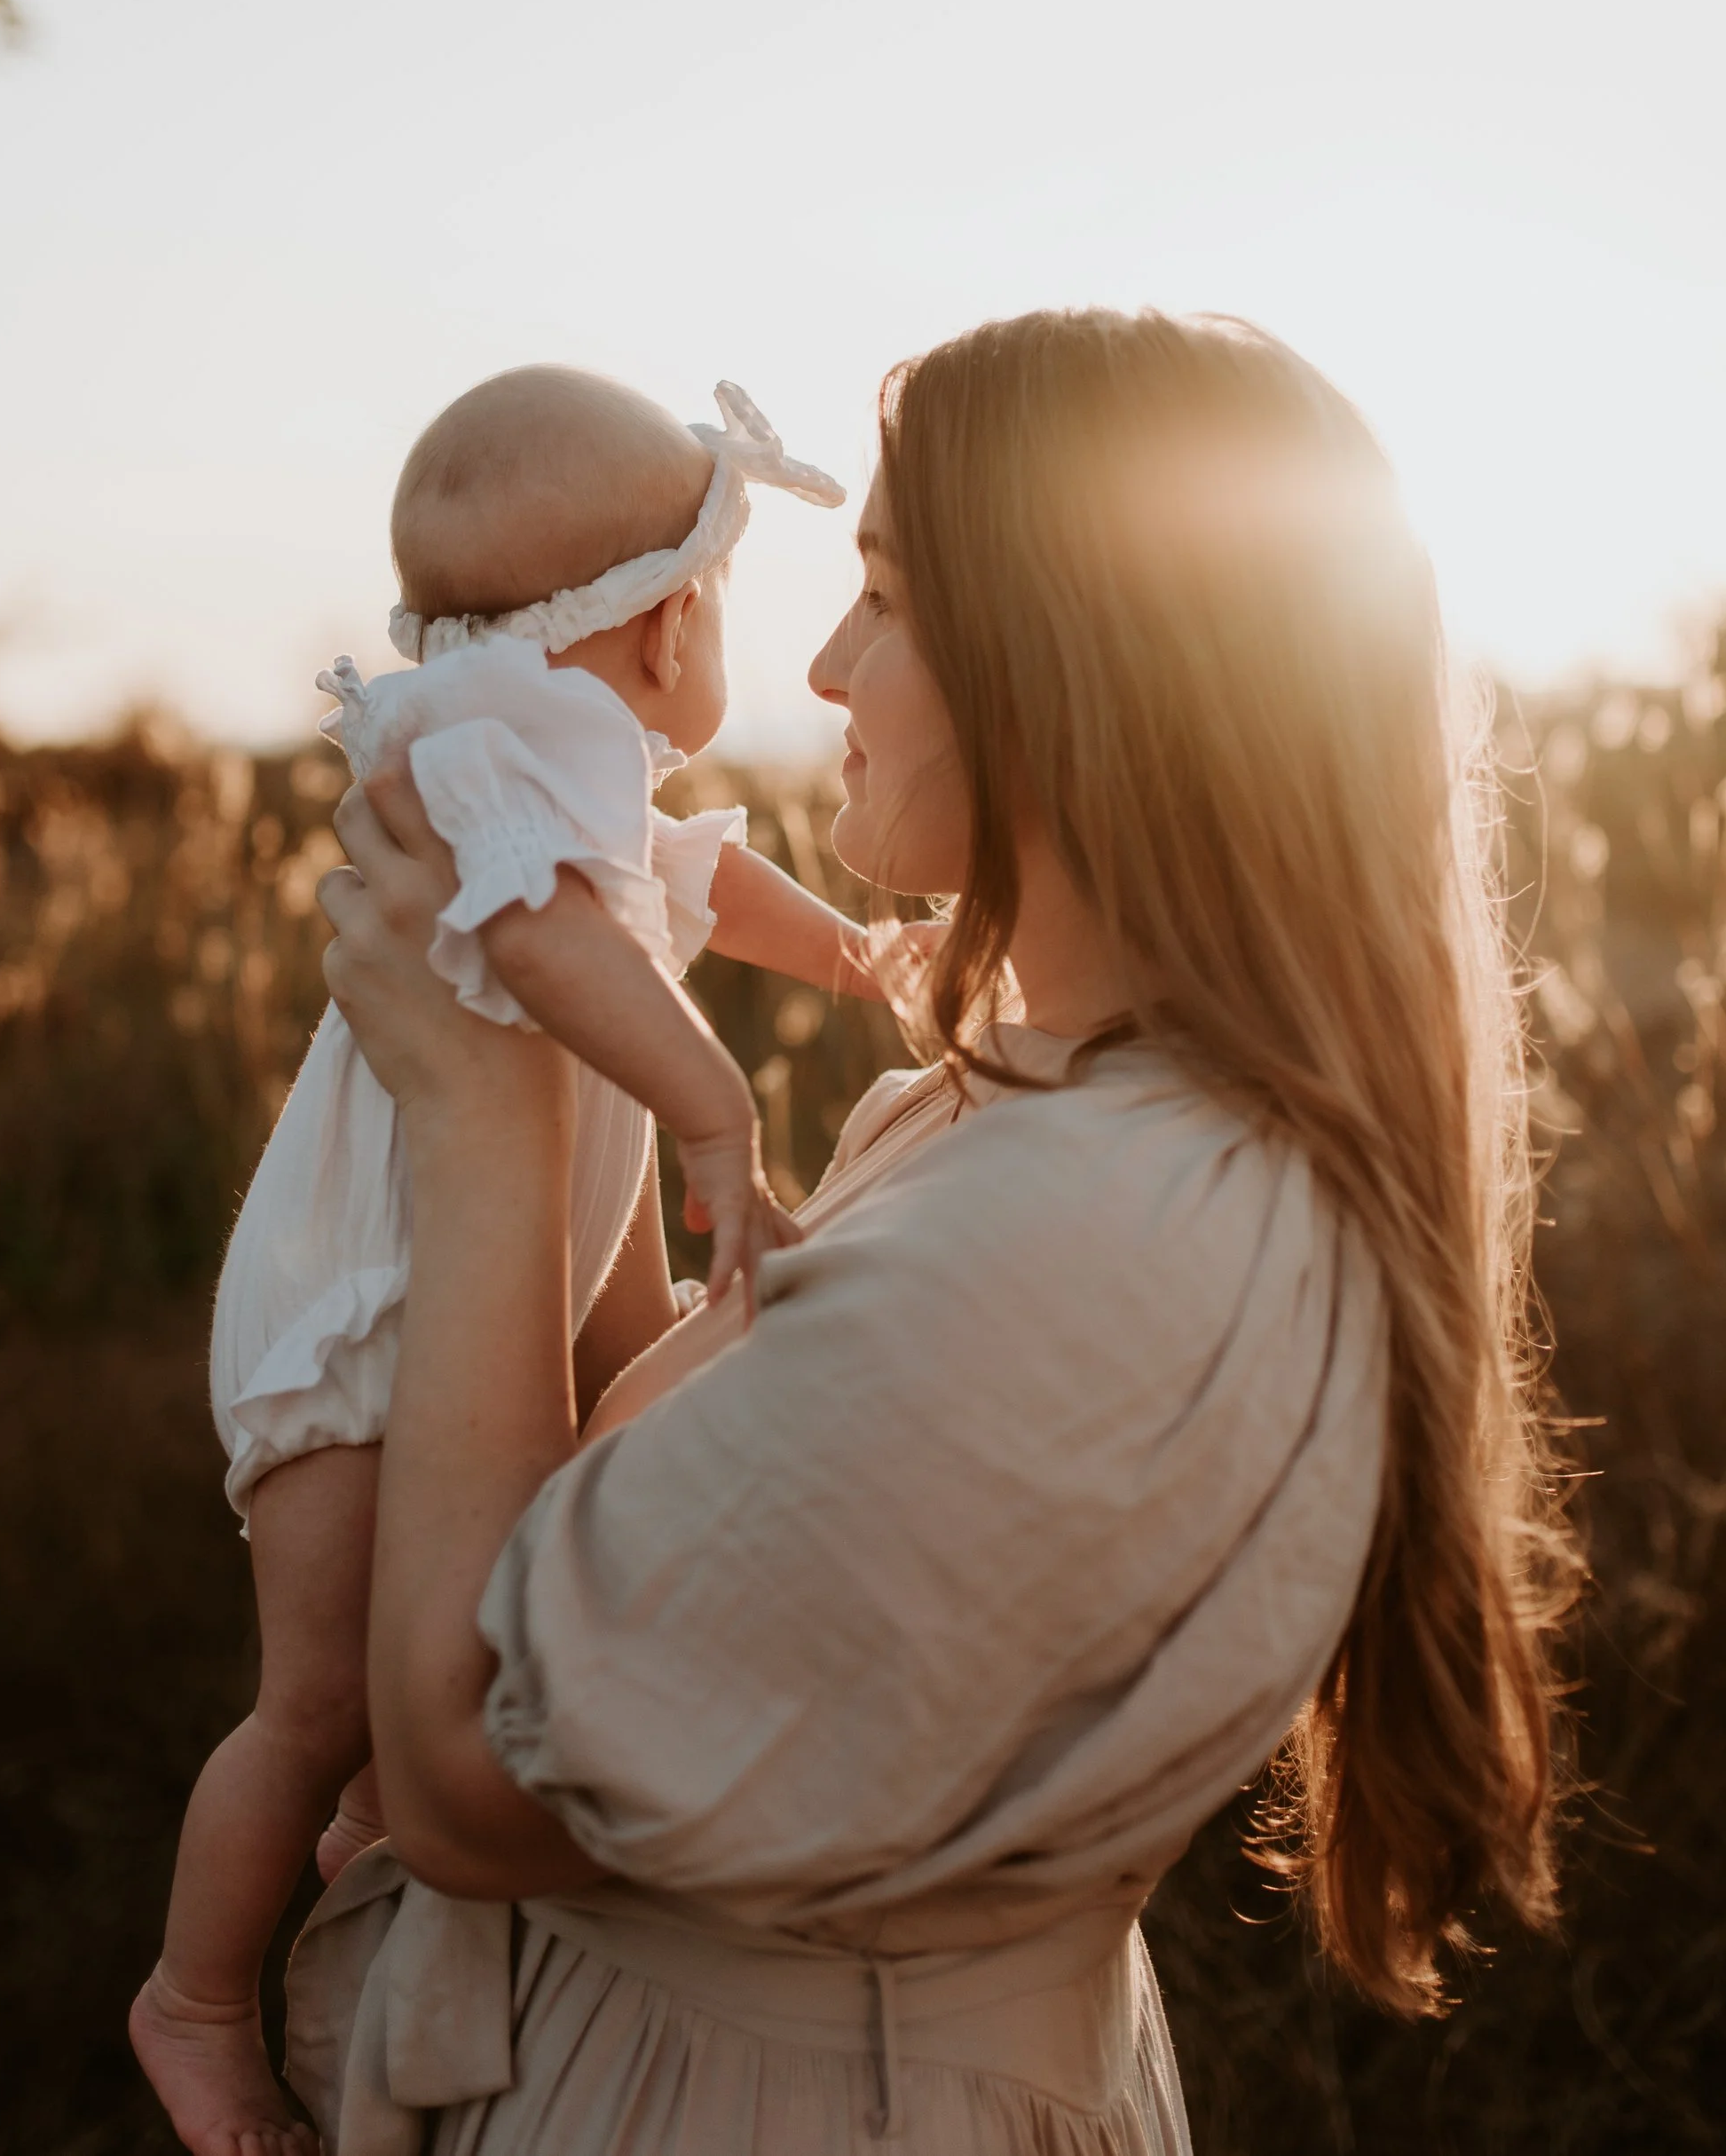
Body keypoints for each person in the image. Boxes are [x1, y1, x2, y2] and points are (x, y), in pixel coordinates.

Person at [291, 308, 1571, 2155]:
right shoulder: (1000, 1113)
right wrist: (573, 1023)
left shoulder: (1082, 1239)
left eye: (882, 598)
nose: (818, 663)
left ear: (1079, 667)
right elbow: (605, 1520)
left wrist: (482, 1119)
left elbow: (471, 1781)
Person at [134, 368, 880, 2156]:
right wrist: (711, 1105)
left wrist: (862, 958)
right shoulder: (511, 744)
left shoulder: (546, 745)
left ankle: (369, 1859)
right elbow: (550, 935)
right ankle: (194, 1999)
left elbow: (689, 882)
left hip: (455, 1279)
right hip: (366, 1317)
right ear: (660, 622)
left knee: (435, 1643)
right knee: (315, 1694)